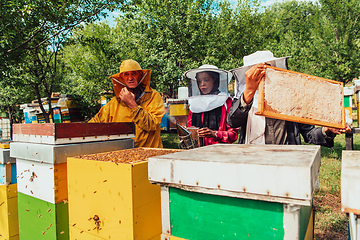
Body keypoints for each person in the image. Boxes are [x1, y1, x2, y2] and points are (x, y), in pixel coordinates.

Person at [227, 50, 350, 146]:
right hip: (251, 160)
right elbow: (233, 121)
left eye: (267, 69)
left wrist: (326, 130)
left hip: (285, 162)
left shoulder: (291, 99)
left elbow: (309, 134)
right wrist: (249, 91)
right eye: (256, 71)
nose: (261, 75)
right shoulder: (243, 99)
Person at [89, 59, 165, 148]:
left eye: (134, 73)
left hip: (149, 154)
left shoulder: (154, 96)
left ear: (140, 75)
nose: (130, 78)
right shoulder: (114, 103)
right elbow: (95, 123)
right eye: (126, 74)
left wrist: (132, 104)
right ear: (121, 78)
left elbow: (152, 125)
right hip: (122, 154)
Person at [184, 64, 238, 146]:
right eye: (199, 81)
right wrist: (187, 131)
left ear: (215, 81)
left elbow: (233, 135)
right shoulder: (195, 103)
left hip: (219, 153)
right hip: (197, 152)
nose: (202, 84)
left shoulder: (226, 102)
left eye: (206, 80)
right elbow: (190, 127)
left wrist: (214, 134)